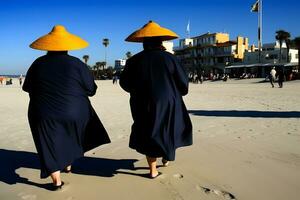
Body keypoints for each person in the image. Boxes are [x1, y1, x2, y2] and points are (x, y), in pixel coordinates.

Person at [23, 25, 110, 190]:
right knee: (71, 134)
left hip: (42, 112)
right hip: (75, 111)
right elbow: (92, 90)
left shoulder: (38, 63)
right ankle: (68, 164)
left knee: (48, 142)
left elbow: (27, 88)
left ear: (48, 46)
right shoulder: (77, 64)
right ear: (66, 46)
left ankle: (56, 181)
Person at [120, 21, 193, 179]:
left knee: (148, 132)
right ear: (161, 41)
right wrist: (177, 92)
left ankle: (153, 170)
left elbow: (124, 83)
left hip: (142, 102)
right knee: (169, 129)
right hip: (169, 101)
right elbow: (183, 84)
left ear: (144, 43)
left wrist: (137, 91)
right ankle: (166, 156)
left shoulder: (134, 61)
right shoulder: (170, 59)